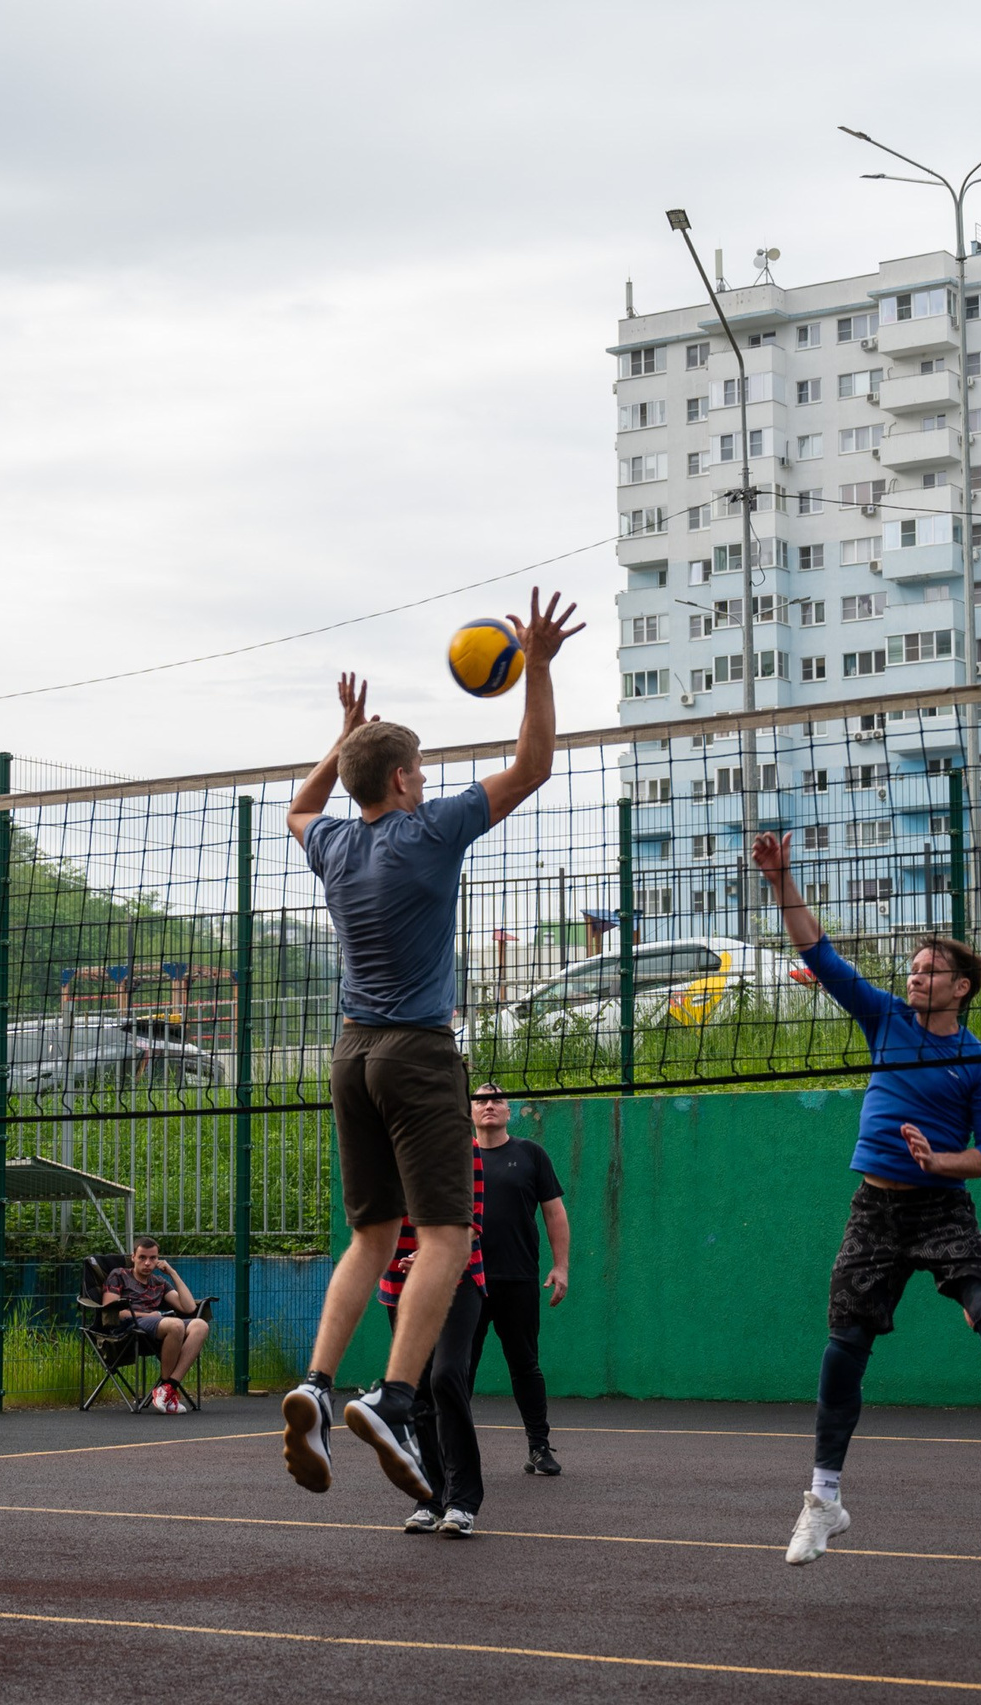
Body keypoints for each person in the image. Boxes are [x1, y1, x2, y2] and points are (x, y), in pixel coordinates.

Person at [277, 587, 584, 1500]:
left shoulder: (333, 844)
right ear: (407, 779)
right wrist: (536, 665)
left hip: (349, 1054)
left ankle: (317, 1384)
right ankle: (397, 1398)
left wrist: (342, 739)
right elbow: (532, 767)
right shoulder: (430, 830)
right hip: (415, 1051)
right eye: (415, 765)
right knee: (445, 1233)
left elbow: (299, 806)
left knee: (371, 1232)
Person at [746, 833, 981, 1565]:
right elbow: (821, 955)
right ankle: (824, 1498)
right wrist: (782, 881)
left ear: (961, 985)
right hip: (873, 1209)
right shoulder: (886, 1020)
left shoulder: (978, 1061)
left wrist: (941, 1159)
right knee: (844, 1346)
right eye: (912, 969)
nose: (915, 977)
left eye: (930, 970)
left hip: (940, 1207)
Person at [465, 1081, 569, 1476]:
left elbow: (554, 1213)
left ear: (509, 1111)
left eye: (497, 1100)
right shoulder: (459, 1156)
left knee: (525, 1365)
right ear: (470, 1111)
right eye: (481, 1100)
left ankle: (539, 1448)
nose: (489, 1105)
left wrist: (561, 1267)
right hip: (466, 1281)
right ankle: (451, 1449)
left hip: (518, 1279)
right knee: (460, 1369)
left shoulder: (530, 1154)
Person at [386, 1139, 488, 1536]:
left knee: (445, 1376)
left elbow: (471, 1222)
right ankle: (430, 1498)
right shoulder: (379, 1148)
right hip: (400, 1284)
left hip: (457, 1278)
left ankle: (462, 1502)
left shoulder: (464, 1147)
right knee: (417, 1393)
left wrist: (430, 1255)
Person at [101, 1237, 210, 1413]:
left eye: (153, 1258)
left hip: (156, 1326)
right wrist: (148, 1315)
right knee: (175, 1325)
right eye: (142, 1257)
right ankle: (168, 1391)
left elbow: (189, 1307)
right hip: (129, 1327)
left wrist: (172, 1273)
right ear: (133, 1257)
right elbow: (112, 1311)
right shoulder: (119, 1275)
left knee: (200, 1326)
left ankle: (168, 1388)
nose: (147, 1263)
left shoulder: (159, 1282)